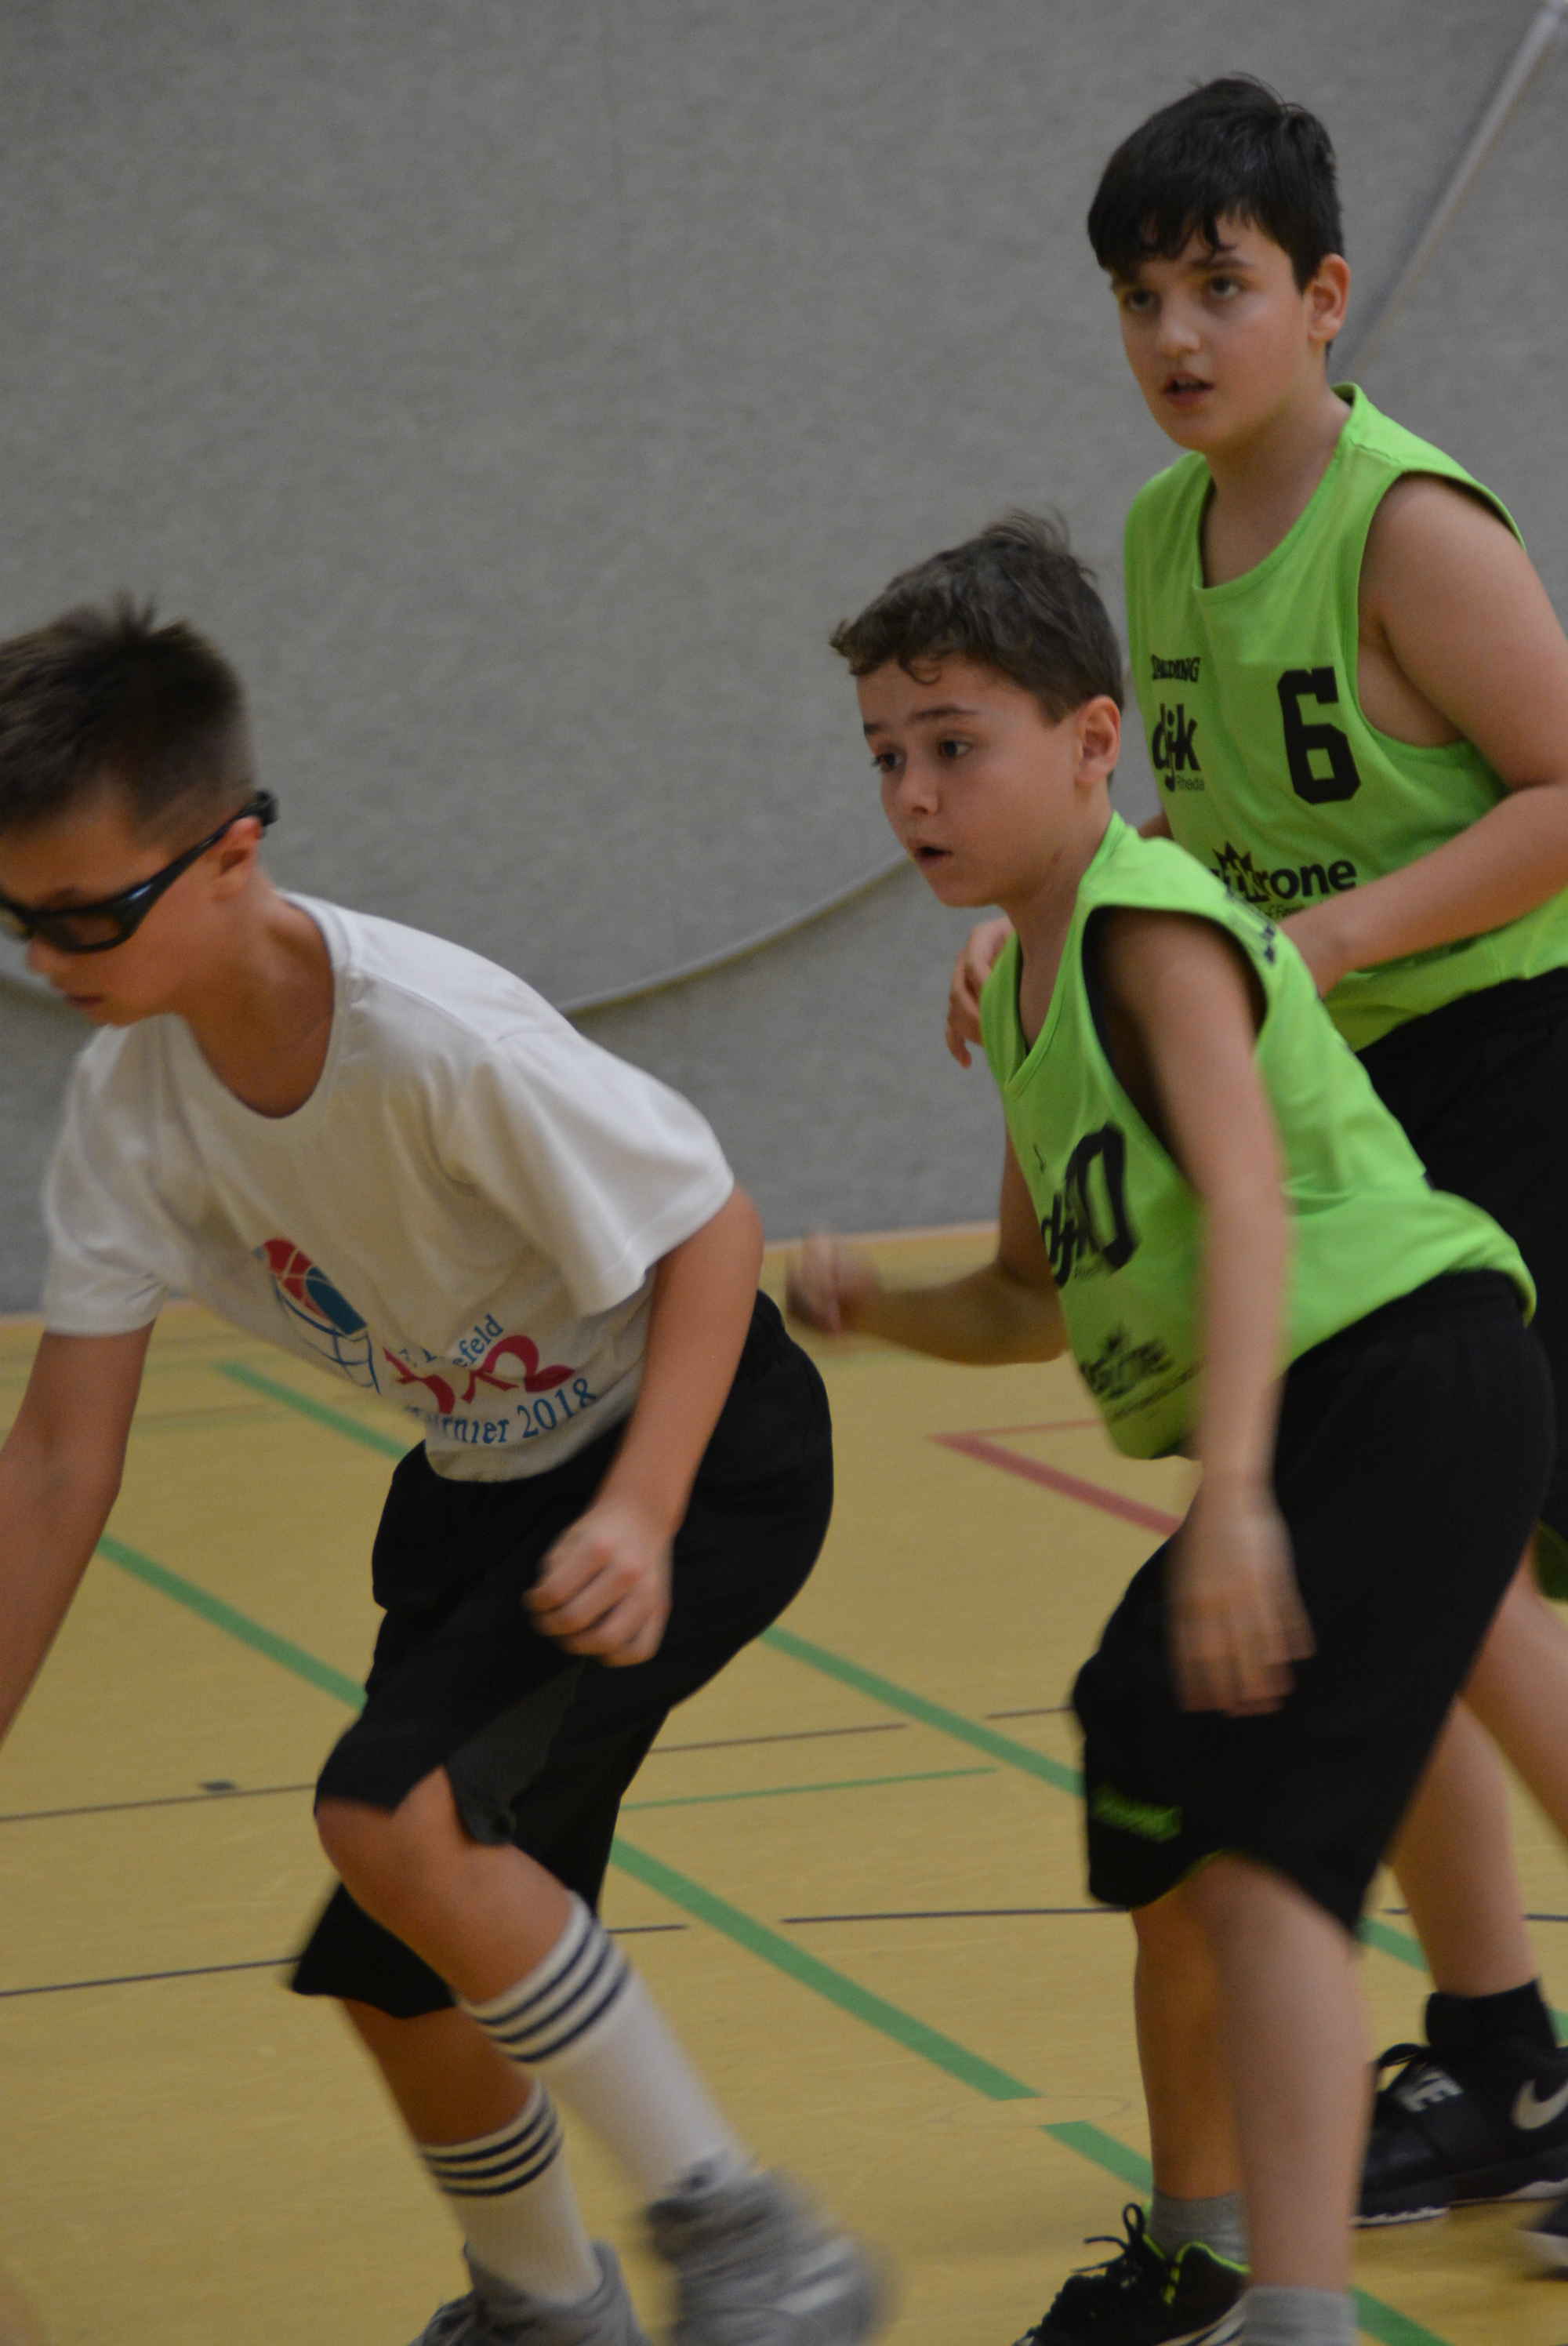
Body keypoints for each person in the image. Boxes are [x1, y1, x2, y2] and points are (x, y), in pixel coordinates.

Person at [0, 601, 885, 2346]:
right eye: (19, 920)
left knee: (390, 1810)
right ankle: (547, 2306)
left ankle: (754, 2237)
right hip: (484, 1496)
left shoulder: (434, 1038)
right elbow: (53, 1463)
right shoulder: (125, 1113)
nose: (50, 959)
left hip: (697, 1452)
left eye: (88, 913)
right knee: (398, 1973)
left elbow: (713, 1232)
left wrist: (641, 1511)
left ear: (232, 854)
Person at [942, 73, 1568, 2304]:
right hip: (1333, 1106)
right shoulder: (1154, 537)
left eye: (1219, 286)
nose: (1178, 334)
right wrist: (1051, 919)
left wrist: (1325, 944)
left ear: (1319, 298)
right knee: (1398, 1598)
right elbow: (1178, 841)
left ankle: (1504, 2048)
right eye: (1141, 297)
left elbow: (1563, 789)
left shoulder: (1409, 529)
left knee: (1462, 1591)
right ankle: (1501, 2052)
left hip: (1503, 1063)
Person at [794, 508, 1552, 2346]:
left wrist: (1229, 1500)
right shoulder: (1025, 984)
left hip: (1402, 1368)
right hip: (1328, 1403)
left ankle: (1290, 2305)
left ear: (1090, 743)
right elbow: (1025, 1295)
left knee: (1275, 1846)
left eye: (953, 742)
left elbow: (1251, 1196)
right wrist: (874, 1302)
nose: (913, 792)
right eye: (885, 756)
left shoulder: (1150, 927)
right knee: (1155, 1770)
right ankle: (1202, 2251)